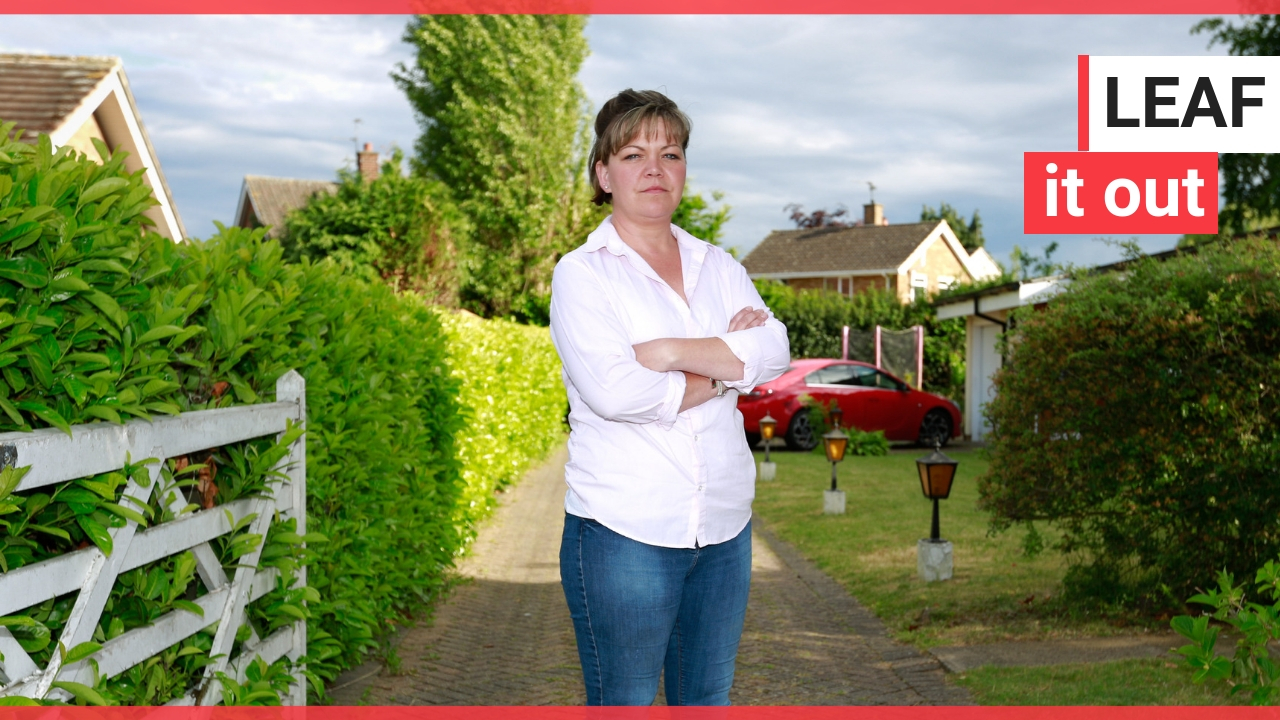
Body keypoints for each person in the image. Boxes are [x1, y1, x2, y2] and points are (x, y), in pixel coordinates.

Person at [549, 89, 791, 706]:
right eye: (633, 154)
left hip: (723, 530)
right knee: (623, 701)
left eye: (671, 152)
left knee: (706, 700)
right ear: (603, 174)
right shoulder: (583, 274)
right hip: (623, 533)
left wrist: (667, 351)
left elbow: (774, 351)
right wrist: (720, 368)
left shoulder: (721, 266)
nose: (655, 169)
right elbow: (615, 390)